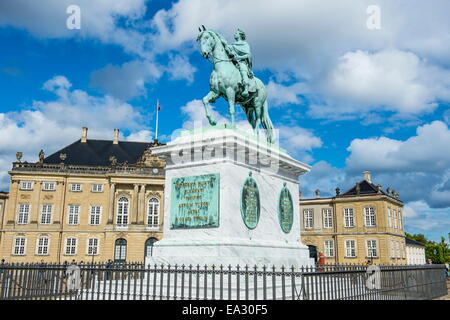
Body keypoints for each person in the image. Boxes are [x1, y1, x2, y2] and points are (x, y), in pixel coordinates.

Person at [221, 29, 255, 97]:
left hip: (242, 62)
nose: (234, 34)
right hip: (233, 62)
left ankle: (246, 88)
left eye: (236, 33)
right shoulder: (233, 45)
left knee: (243, 69)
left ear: (240, 35)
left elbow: (248, 55)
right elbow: (228, 49)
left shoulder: (245, 44)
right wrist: (224, 43)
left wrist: (238, 58)